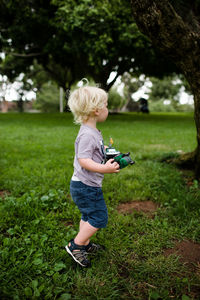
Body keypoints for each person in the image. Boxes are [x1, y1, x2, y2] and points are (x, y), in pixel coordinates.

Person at [66, 85, 119, 267]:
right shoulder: (87, 135)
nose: (107, 109)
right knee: (99, 217)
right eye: (106, 105)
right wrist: (105, 169)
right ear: (96, 110)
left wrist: (105, 151)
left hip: (84, 184)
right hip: (86, 186)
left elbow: (92, 152)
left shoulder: (91, 132)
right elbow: (84, 160)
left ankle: (85, 244)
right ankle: (76, 245)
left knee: (88, 215)